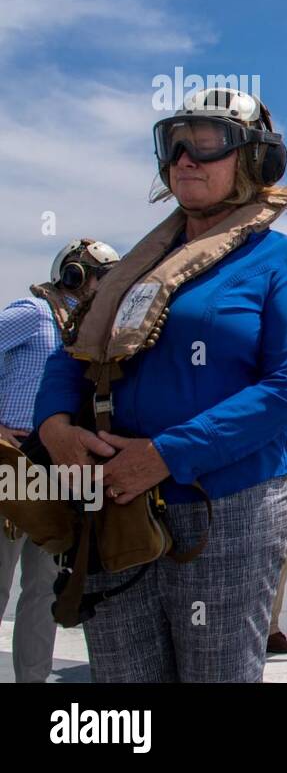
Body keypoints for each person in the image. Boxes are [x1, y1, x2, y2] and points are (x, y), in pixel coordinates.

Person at [34, 87, 287, 682]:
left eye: (207, 141)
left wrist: (168, 455)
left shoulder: (280, 262)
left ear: (252, 159)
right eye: (174, 143)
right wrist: (55, 425)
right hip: (114, 505)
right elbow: (76, 350)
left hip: (227, 513)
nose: (185, 157)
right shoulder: (136, 267)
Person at [1, 239, 119, 682]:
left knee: (43, 589)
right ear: (74, 274)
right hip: (14, 464)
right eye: (101, 277)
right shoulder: (34, 314)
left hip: (62, 469)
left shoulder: (86, 331)